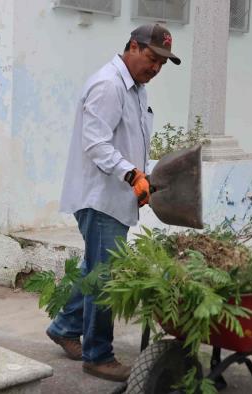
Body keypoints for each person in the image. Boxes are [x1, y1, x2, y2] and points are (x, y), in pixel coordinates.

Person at [46, 24, 181, 382]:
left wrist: (146, 175)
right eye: (152, 58)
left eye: (162, 63)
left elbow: (130, 142)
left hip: (116, 195)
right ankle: (98, 355)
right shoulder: (108, 85)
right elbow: (96, 145)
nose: (155, 68)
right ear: (133, 47)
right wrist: (132, 175)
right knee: (107, 278)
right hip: (100, 197)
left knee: (96, 269)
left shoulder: (136, 89)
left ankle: (64, 326)